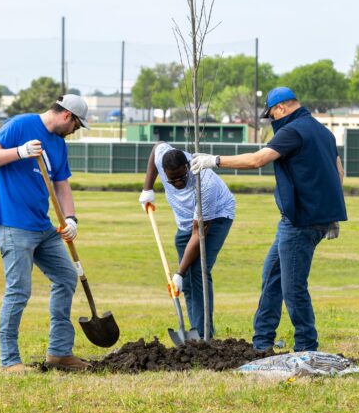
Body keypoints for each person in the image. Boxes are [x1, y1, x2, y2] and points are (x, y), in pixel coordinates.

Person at [191, 86, 346, 352]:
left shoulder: (292, 131)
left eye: (272, 114)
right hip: (311, 220)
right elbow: (338, 173)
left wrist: (214, 160)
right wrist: (327, 213)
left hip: (298, 223)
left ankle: (307, 348)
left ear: (281, 108)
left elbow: (257, 160)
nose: (272, 120)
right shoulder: (323, 132)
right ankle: (262, 343)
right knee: (272, 276)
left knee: (293, 287)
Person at [0, 94, 90, 373]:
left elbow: (62, 184)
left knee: (66, 276)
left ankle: (60, 353)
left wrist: (71, 219)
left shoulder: (59, 145)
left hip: (43, 227)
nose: (75, 131)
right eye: (77, 125)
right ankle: (9, 361)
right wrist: (20, 151)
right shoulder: (20, 125)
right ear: (67, 116)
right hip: (13, 224)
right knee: (19, 290)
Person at [140, 141, 235, 339]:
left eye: (181, 177)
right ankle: (195, 331)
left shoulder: (204, 182)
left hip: (217, 217)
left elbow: (198, 232)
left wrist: (179, 273)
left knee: (197, 271)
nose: (177, 183)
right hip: (185, 221)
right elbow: (157, 146)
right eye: (171, 180)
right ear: (164, 171)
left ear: (188, 166)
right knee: (189, 280)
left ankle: (202, 334)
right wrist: (147, 189)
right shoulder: (163, 158)